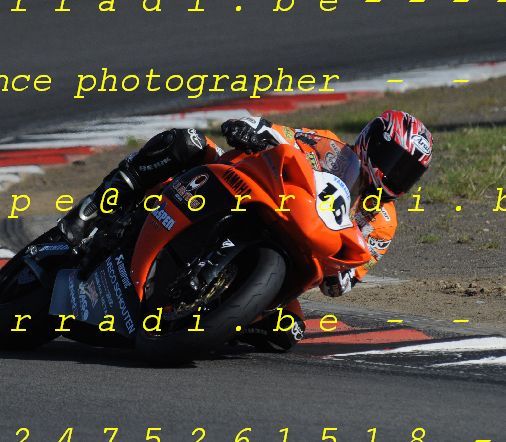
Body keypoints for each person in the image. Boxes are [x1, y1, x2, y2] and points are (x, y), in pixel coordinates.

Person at [59, 110, 433, 351]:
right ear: (372, 141)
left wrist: (341, 274)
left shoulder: (383, 222)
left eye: (407, 172)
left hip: (297, 250)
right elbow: (277, 133)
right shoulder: (327, 146)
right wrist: (252, 131)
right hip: (253, 199)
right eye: (393, 161)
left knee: (288, 331)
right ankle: (90, 212)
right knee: (187, 143)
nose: (394, 175)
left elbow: (343, 281)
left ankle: (212, 319)